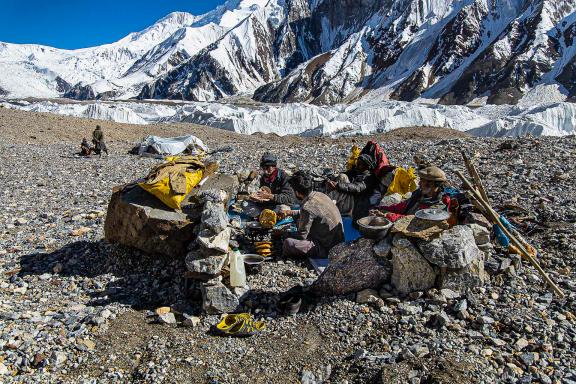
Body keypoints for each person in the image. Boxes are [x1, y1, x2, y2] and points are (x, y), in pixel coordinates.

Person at [282, 171, 344, 258]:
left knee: (288, 243)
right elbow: (315, 213)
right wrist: (291, 213)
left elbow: (302, 236)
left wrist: (284, 233)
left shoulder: (307, 207)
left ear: (297, 192)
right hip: (339, 243)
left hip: (327, 249)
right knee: (298, 223)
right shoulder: (320, 194)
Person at [370, 165, 451, 222]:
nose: (419, 184)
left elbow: (413, 221)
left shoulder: (438, 207)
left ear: (433, 184)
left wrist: (386, 216)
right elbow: (403, 206)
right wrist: (381, 208)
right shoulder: (419, 195)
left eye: (422, 181)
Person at [326, 154, 384, 223]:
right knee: (338, 177)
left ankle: (328, 204)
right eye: (357, 163)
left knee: (342, 177)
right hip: (347, 198)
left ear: (367, 166)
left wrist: (338, 185)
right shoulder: (355, 172)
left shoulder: (369, 178)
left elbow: (357, 188)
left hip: (354, 203)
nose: (358, 166)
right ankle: (329, 201)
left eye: (360, 164)